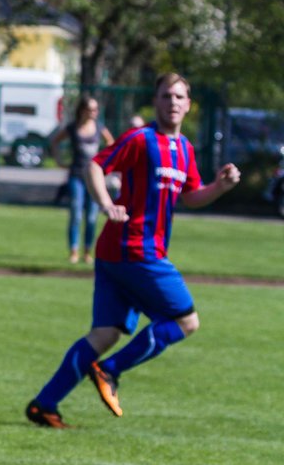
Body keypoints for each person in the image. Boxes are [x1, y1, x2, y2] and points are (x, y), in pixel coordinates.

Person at [25, 73, 240, 428]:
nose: (173, 102)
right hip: (136, 249)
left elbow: (191, 195)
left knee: (105, 334)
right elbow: (96, 165)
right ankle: (109, 371)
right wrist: (106, 202)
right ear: (155, 101)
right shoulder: (141, 139)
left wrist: (219, 186)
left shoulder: (184, 150)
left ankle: (44, 404)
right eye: (166, 96)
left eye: (179, 97)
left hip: (116, 252)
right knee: (186, 321)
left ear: (188, 104)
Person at [47, 96, 114, 264]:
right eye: (90, 109)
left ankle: (87, 252)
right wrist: (60, 161)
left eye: (95, 109)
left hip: (94, 179)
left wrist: (106, 163)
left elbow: (111, 143)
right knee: (76, 213)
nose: (94, 113)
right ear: (82, 110)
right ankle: (73, 251)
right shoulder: (72, 128)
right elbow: (55, 141)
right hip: (76, 175)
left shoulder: (99, 128)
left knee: (92, 216)